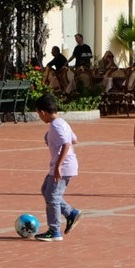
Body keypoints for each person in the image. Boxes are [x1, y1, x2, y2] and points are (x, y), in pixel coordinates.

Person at [34, 94, 81, 240]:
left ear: (43, 112)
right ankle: (70, 213)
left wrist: (58, 166)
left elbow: (66, 144)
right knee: (46, 190)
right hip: (62, 164)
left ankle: (54, 231)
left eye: (38, 114)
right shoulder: (61, 123)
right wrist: (51, 138)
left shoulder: (56, 125)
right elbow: (75, 140)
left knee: (52, 197)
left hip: (63, 166)